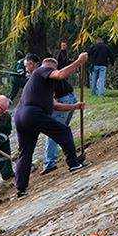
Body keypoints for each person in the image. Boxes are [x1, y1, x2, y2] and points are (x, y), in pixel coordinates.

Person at [14, 55, 91, 199]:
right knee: (64, 131)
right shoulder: (42, 71)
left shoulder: (41, 85)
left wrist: (74, 106)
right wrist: (79, 62)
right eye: (53, 70)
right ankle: (73, 164)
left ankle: (21, 189)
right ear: (51, 67)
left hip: (21, 116)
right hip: (32, 113)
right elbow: (61, 74)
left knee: (25, 152)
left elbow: (55, 105)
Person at [42, 41, 79, 175]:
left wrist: (79, 62)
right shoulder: (51, 73)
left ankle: (49, 162)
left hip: (65, 99)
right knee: (62, 130)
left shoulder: (48, 75)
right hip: (70, 97)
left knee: (55, 132)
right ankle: (68, 157)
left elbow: (52, 101)